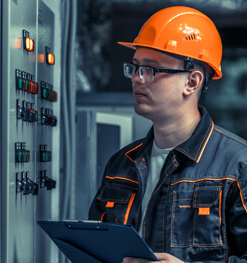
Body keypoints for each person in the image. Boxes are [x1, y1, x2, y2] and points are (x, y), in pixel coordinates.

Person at [88, 6, 247, 263]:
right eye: (135, 67)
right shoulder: (121, 164)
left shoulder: (238, 167)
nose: (138, 79)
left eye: (151, 69)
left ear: (192, 82)